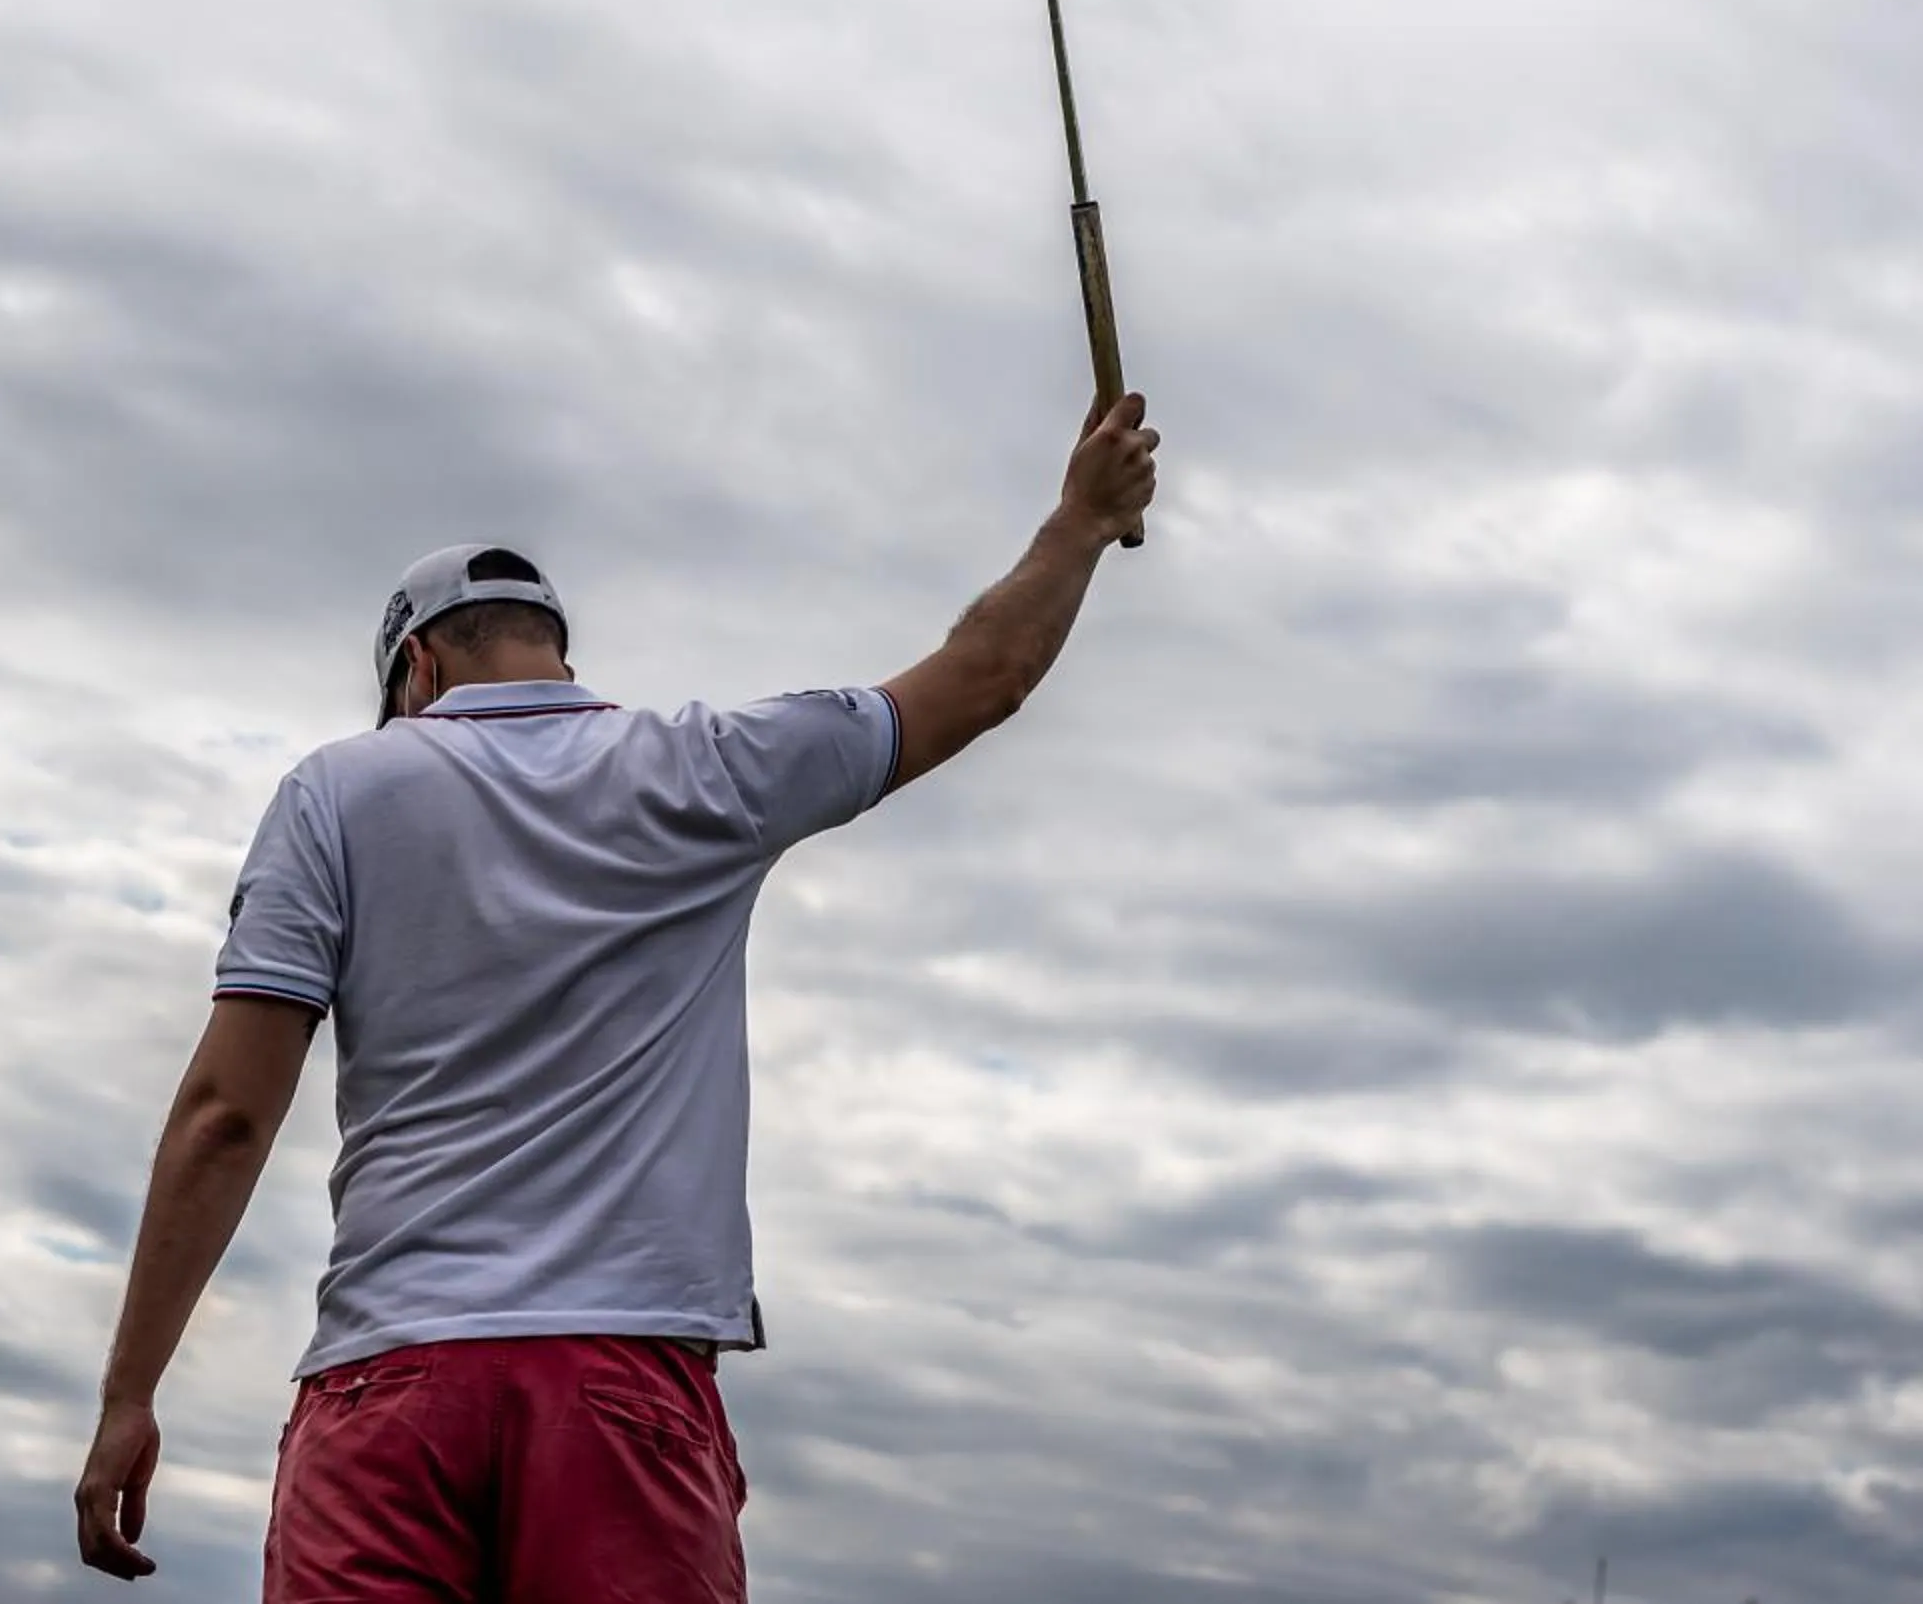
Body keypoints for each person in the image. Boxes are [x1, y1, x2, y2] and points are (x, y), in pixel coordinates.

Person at [74, 393, 1161, 1599]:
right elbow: (986, 675)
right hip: (622, 1385)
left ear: (416, 669)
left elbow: (226, 1114)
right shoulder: (709, 769)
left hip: (393, 1384)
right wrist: (1079, 521)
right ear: (558, 656)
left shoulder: (337, 790)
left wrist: (131, 1392)